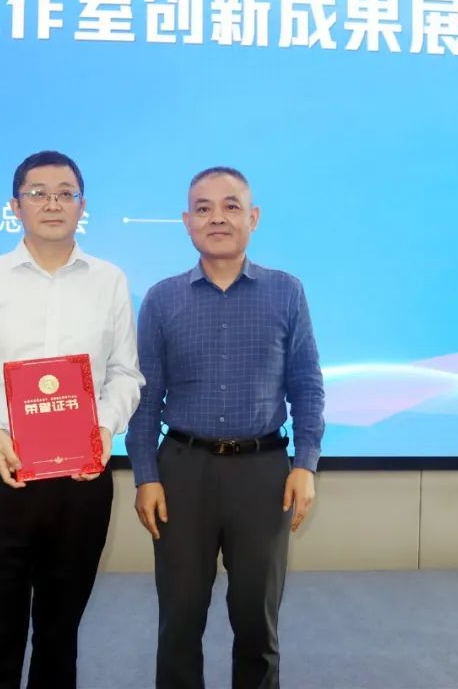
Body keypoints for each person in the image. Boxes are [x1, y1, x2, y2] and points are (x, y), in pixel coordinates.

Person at [0, 150, 144, 689]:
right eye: (38, 193)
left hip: (82, 480)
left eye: (65, 193)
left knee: (59, 639)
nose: (52, 203)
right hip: (1, 475)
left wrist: (104, 426)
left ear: (82, 206)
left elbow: (126, 374)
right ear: (14, 206)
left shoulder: (109, 281)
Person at [126, 166, 326, 689]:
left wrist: (305, 464)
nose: (217, 217)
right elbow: (144, 399)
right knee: (178, 624)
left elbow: (307, 385)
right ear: (187, 221)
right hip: (182, 473)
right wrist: (146, 476)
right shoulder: (162, 299)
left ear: (252, 218)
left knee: (257, 625)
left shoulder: (286, 292)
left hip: (263, 475)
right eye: (204, 208)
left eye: (231, 206)